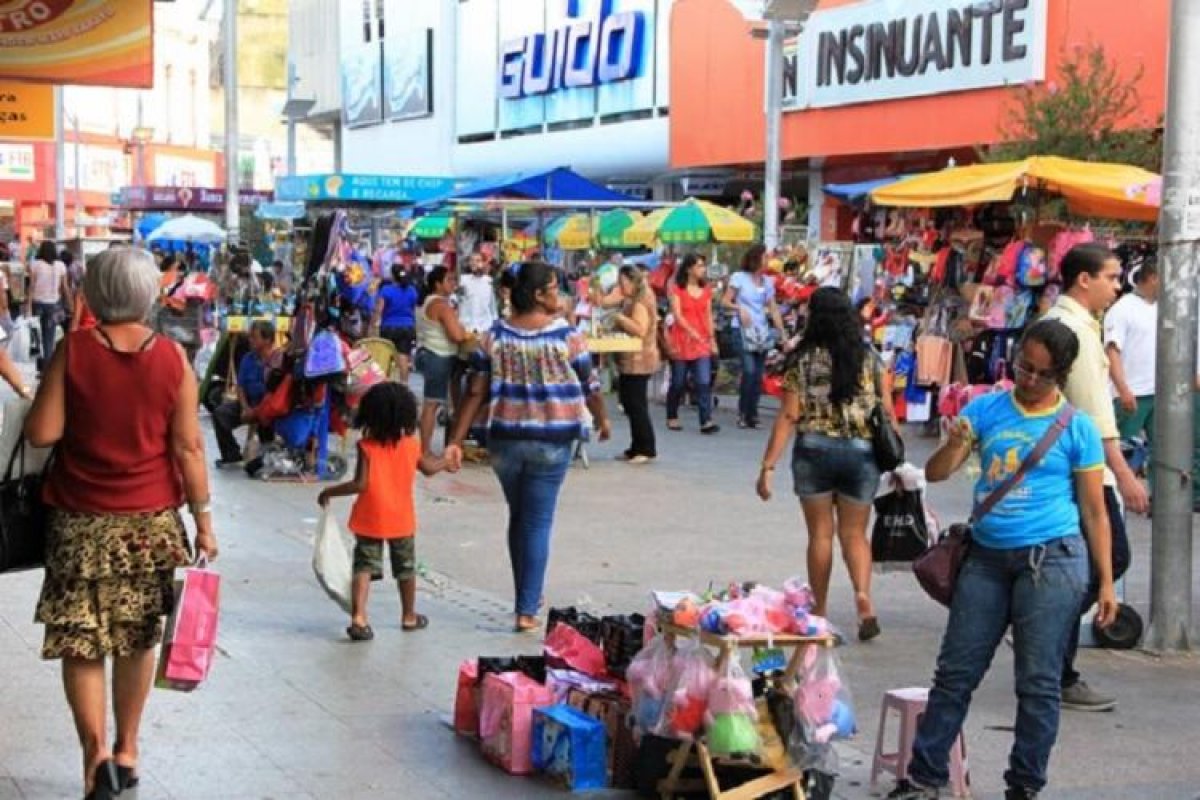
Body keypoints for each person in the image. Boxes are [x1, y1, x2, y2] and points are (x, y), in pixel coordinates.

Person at [887, 319, 1116, 800]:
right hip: (986, 559)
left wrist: (1107, 583)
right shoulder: (985, 409)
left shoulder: (1078, 428)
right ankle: (924, 778)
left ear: (1061, 375)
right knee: (956, 672)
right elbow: (936, 473)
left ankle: (1024, 786)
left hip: (1053, 561)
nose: (1028, 379)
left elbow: (1095, 512)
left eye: (1041, 373)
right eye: (1023, 367)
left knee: (1038, 682)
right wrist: (955, 443)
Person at [24, 246, 217, 800]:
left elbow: (42, 433)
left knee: (82, 642)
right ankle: (128, 749)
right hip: (149, 527)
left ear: (93, 293)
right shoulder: (173, 358)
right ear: (150, 293)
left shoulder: (76, 350)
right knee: (136, 639)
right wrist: (204, 522)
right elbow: (189, 447)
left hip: (80, 523)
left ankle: (96, 757)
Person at [445, 261, 611, 632]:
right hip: (551, 441)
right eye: (554, 288)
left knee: (519, 516)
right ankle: (526, 609)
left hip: (505, 441)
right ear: (538, 295)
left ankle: (526, 596)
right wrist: (602, 419)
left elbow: (475, 391)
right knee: (537, 521)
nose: (560, 295)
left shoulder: (495, 336)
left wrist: (456, 440)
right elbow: (591, 385)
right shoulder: (566, 336)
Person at [755, 288, 893, 641]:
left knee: (820, 534)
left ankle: (819, 611)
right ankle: (863, 597)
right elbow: (888, 413)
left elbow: (789, 415)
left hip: (814, 450)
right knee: (855, 534)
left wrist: (768, 466)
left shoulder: (802, 360)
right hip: (861, 453)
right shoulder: (870, 358)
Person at [1041, 242, 1143, 712]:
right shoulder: (1074, 331)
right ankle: (1049, 652)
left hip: (1067, 466)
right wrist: (1124, 475)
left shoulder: (1070, 323)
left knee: (1086, 563)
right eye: (1111, 277)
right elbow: (1093, 416)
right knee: (1107, 559)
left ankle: (1051, 654)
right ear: (1085, 280)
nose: (1117, 286)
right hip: (1080, 469)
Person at [318, 383, 449, 641]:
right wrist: (447, 460)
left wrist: (329, 491)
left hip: (370, 517)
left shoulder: (366, 446)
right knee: (406, 568)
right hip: (401, 518)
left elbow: (360, 484)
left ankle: (359, 617)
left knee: (364, 567)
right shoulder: (411, 445)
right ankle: (409, 615)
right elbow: (429, 469)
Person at [723, 243, 785, 428]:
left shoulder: (767, 282)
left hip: (761, 331)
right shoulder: (739, 278)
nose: (767, 260)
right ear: (756, 258)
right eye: (765, 257)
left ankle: (752, 413)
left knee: (758, 374)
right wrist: (739, 308)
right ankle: (743, 411)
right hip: (742, 329)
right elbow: (725, 301)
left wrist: (782, 332)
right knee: (749, 370)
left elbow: (773, 308)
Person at [415, 267, 470, 453]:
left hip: (430, 353)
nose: (453, 284)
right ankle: (425, 450)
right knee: (431, 404)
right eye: (449, 280)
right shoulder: (440, 305)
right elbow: (457, 335)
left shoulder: (429, 302)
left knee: (433, 403)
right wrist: (462, 331)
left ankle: (427, 448)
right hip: (438, 355)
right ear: (438, 284)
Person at [1104, 260, 1159, 446]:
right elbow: (1112, 351)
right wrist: (1123, 390)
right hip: (1132, 395)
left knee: (1161, 451)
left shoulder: (1162, 308)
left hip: (1157, 393)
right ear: (1153, 278)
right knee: (1126, 450)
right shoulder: (1122, 309)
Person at [610, 265, 660, 463]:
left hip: (639, 359)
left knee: (636, 404)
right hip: (630, 359)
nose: (621, 287)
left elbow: (640, 329)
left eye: (623, 283)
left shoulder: (641, 300)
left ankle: (646, 448)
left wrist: (620, 318)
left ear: (632, 281)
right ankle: (636, 446)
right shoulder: (632, 298)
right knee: (629, 402)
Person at [212, 320, 277, 468]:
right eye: (250, 337)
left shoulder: (277, 360)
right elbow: (241, 387)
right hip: (249, 402)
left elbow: (275, 392)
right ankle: (232, 456)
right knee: (220, 414)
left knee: (265, 420)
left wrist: (257, 410)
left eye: (254, 337)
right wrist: (245, 408)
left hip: (268, 406)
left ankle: (266, 456)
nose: (250, 340)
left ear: (267, 340)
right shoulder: (248, 358)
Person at [666, 253, 719, 434]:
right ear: (689, 269)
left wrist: (712, 339)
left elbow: (708, 315)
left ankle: (706, 420)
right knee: (678, 382)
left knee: (703, 381)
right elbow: (678, 315)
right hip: (681, 341)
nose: (702, 269)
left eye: (703, 266)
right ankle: (672, 415)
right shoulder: (677, 289)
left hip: (701, 342)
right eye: (699, 266)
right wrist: (691, 331)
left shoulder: (706, 290)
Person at [371, 262, 420, 383]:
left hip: (389, 327)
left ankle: (386, 384)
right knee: (403, 357)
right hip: (407, 327)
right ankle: (404, 385)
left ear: (393, 276)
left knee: (386, 356)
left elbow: (379, 310)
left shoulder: (386, 290)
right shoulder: (412, 290)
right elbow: (414, 310)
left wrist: (373, 325)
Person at [26, 240, 71, 372]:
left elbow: (31, 287)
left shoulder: (35, 265)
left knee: (36, 337)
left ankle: (39, 365)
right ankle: (47, 368)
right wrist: (70, 304)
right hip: (53, 306)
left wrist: (28, 307)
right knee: (48, 338)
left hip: (37, 304)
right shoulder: (61, 265)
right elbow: (65, 288)